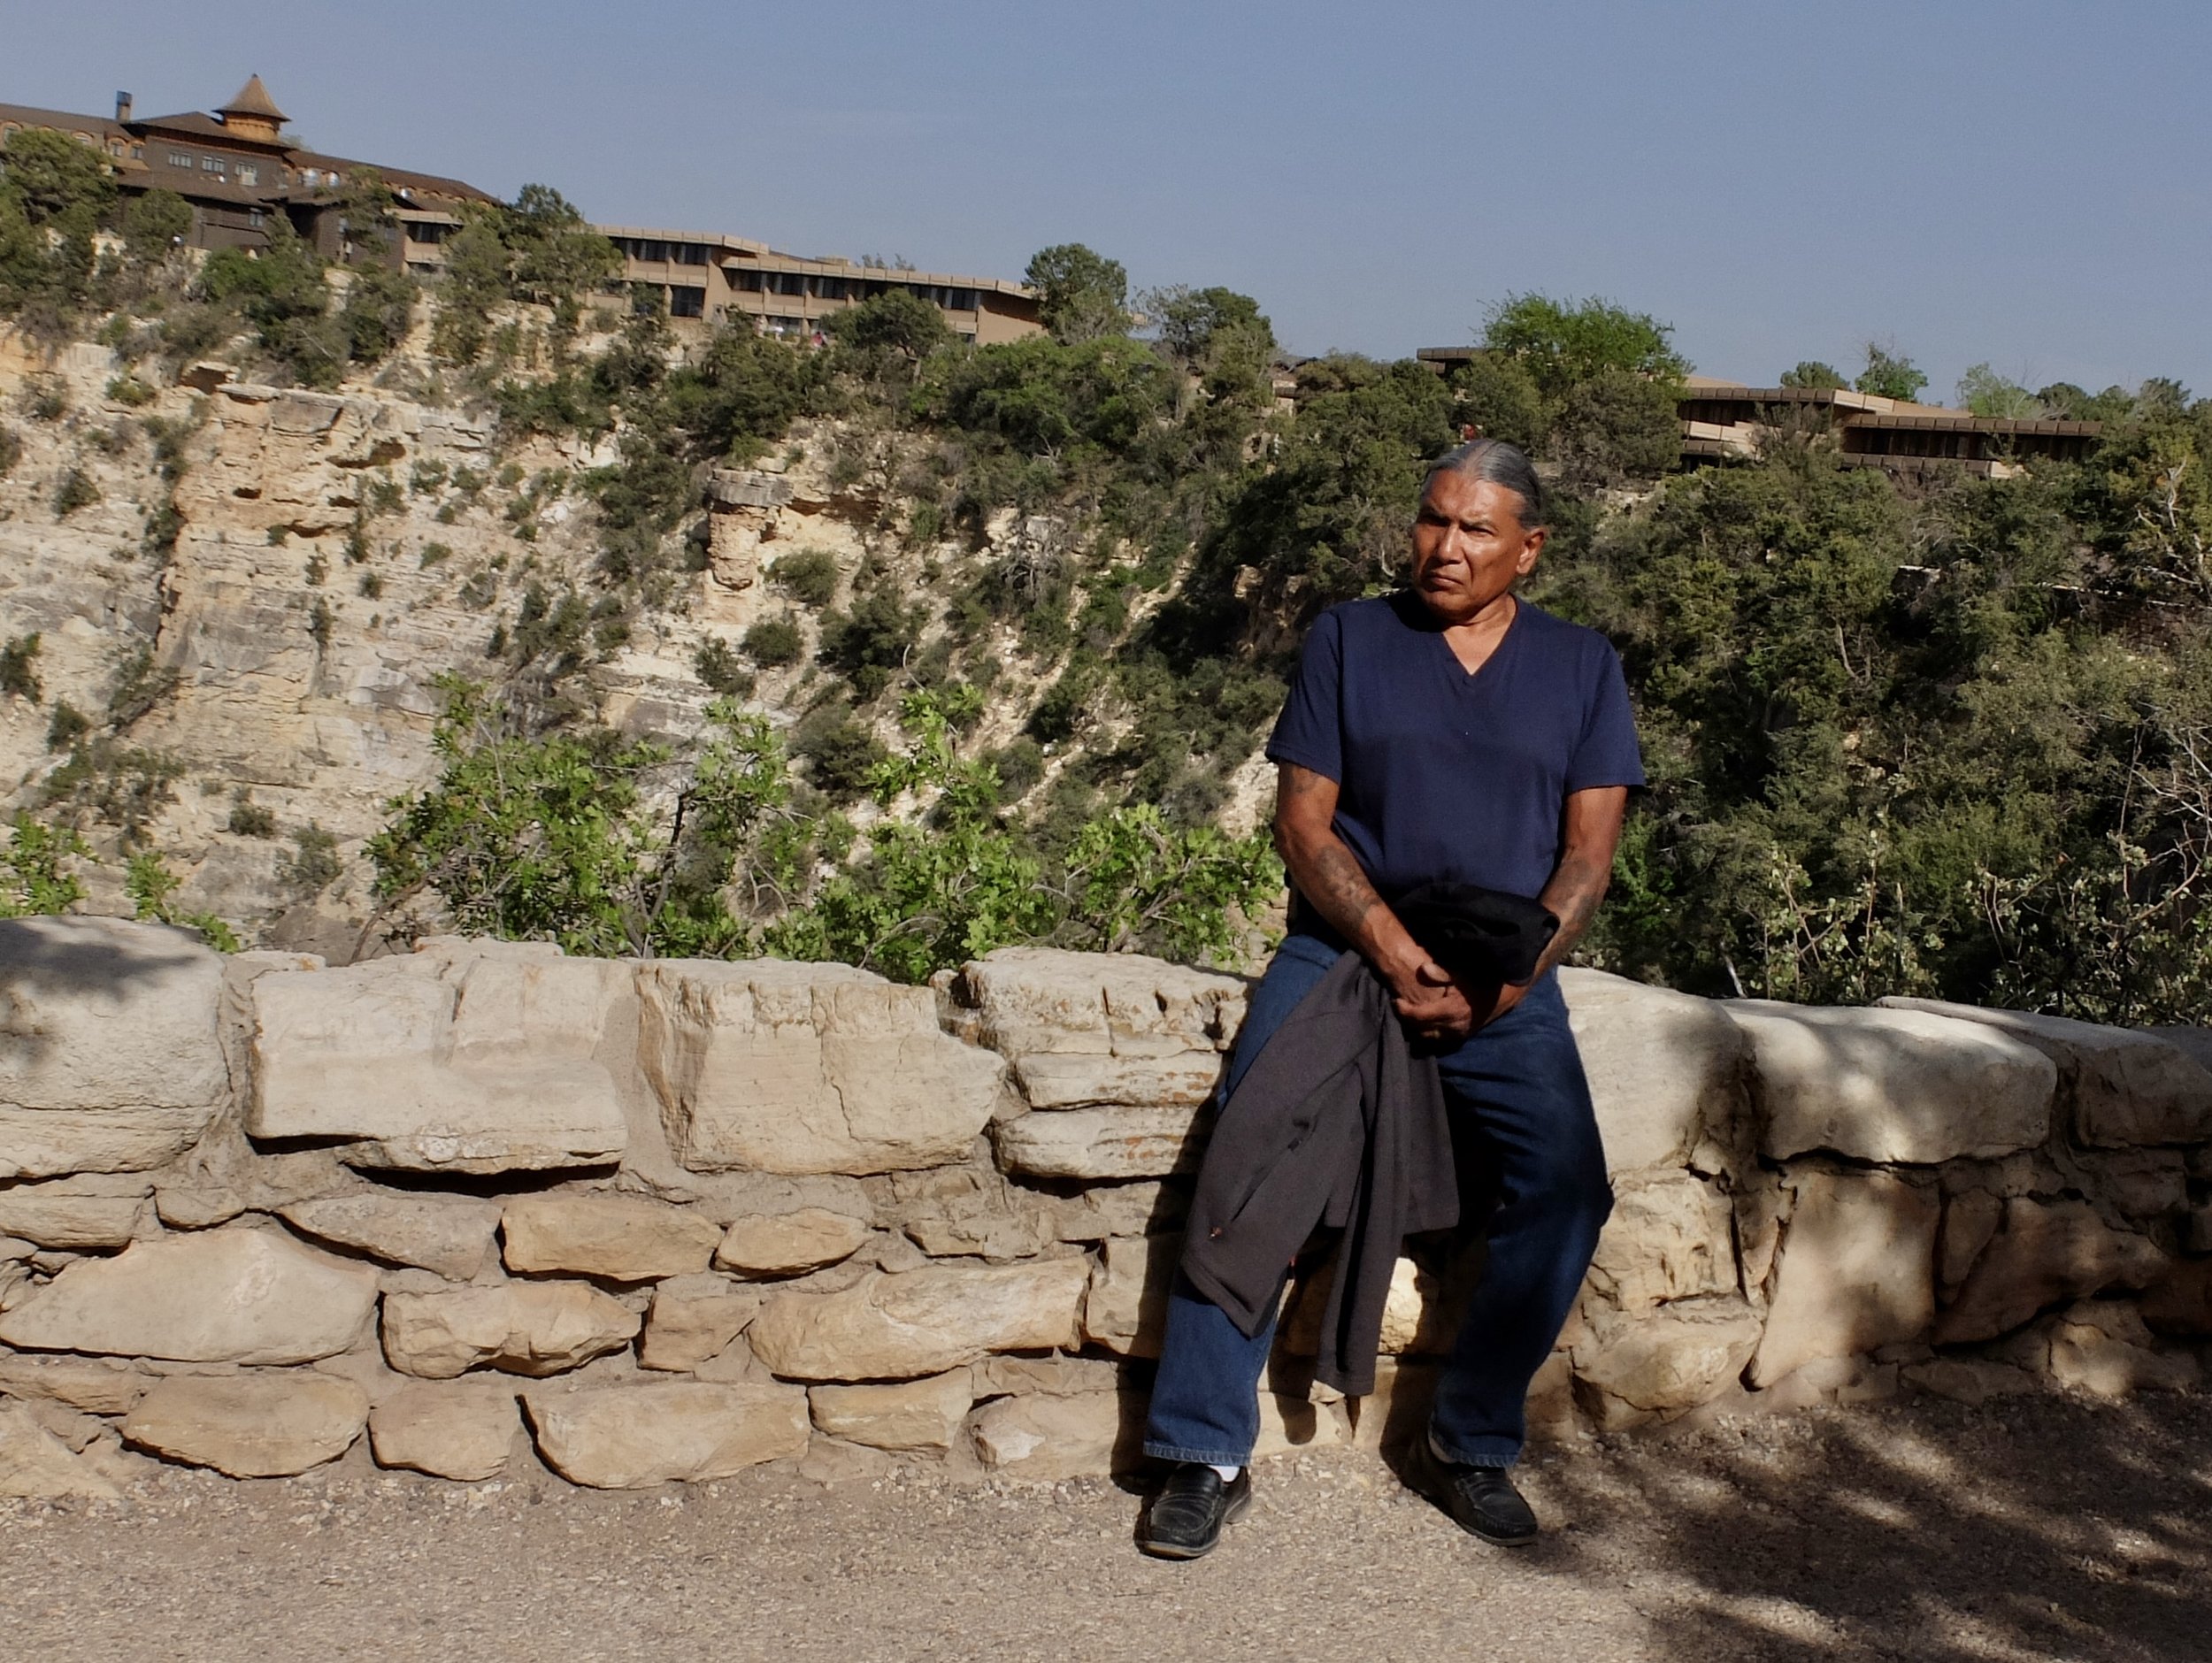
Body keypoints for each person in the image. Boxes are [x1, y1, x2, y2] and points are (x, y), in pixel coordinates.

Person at [1139, 437, 1643, 1559]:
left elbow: (1585, 860)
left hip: (1502, 968)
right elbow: (1304, 824)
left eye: (1475, 529)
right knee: (1247, 1158)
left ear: (1529, 549)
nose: (1445, 548)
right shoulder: (1350, 638)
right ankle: (1198, 1450)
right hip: (1346, 947)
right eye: (1431, 520)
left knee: (1564, 1189)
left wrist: (1508, 980)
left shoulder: (1578, 665)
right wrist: (1383, 937)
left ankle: (1468, 1440)